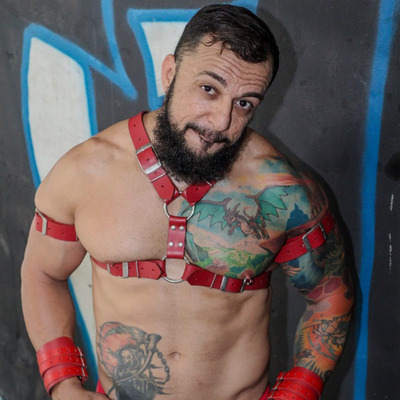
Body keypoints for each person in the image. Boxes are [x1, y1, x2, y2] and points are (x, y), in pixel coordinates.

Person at [21, 4, 354, 400]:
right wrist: (63, 383)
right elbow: (42, 273)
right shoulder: (85, 172)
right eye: (209, 89)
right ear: (170, 73)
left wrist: (299, 392)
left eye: (244, 103)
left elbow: (330, 296)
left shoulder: (282, 191)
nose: (220, 121)